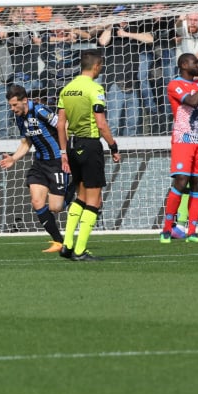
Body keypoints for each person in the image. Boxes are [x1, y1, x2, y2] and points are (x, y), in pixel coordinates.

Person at [56, 49, 121, 261]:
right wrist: (113, 146)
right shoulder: (95, 88)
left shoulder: (67, 89)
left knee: (81, 197)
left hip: (73, 147)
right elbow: (101, 124)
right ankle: (80, 250)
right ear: (96, 66)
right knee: (95, 200)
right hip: (90, 146)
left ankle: (67, 245)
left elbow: (61, 124)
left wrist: (64, 151)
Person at [0, 85, 70, 252]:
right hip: (40, 163)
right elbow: (26, 142)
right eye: (10, 105)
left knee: (55, 208)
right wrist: (14, 158)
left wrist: (67, 152)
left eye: (15, 105)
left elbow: (63, 125)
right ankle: (59, 242)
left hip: (57, 161)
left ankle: (75, 186)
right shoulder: (19, 117)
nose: (12, 108)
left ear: (25, 100)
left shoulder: (40, 111)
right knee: (37, 201)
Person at [160, 53, 198, 244]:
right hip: (183, 139)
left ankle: (192, 231)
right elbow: (192, 102)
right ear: (184, 64)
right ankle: (167, 229)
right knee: (181, 180)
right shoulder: (174, 84)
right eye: (196, 62)